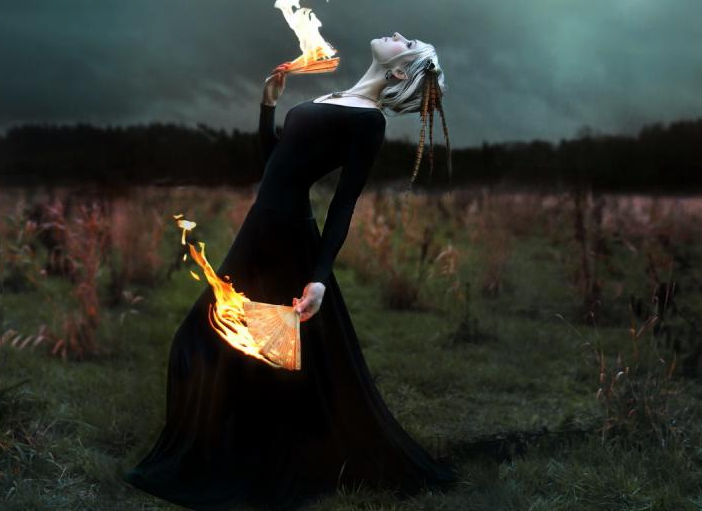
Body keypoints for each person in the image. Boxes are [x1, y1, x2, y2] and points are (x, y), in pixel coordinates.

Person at [123, 32, 454, 510]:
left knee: (217, 341)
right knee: (240, 345)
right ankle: (233, 451)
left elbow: (343, 204)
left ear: (400, 71)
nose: (398, 34)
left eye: (407, 42)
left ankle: (243, 460)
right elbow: (274, 164)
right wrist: (268, 107)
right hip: (262, 229)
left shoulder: (369, 122)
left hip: (284, 238)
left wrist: (319, 276)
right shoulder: (335, 96)